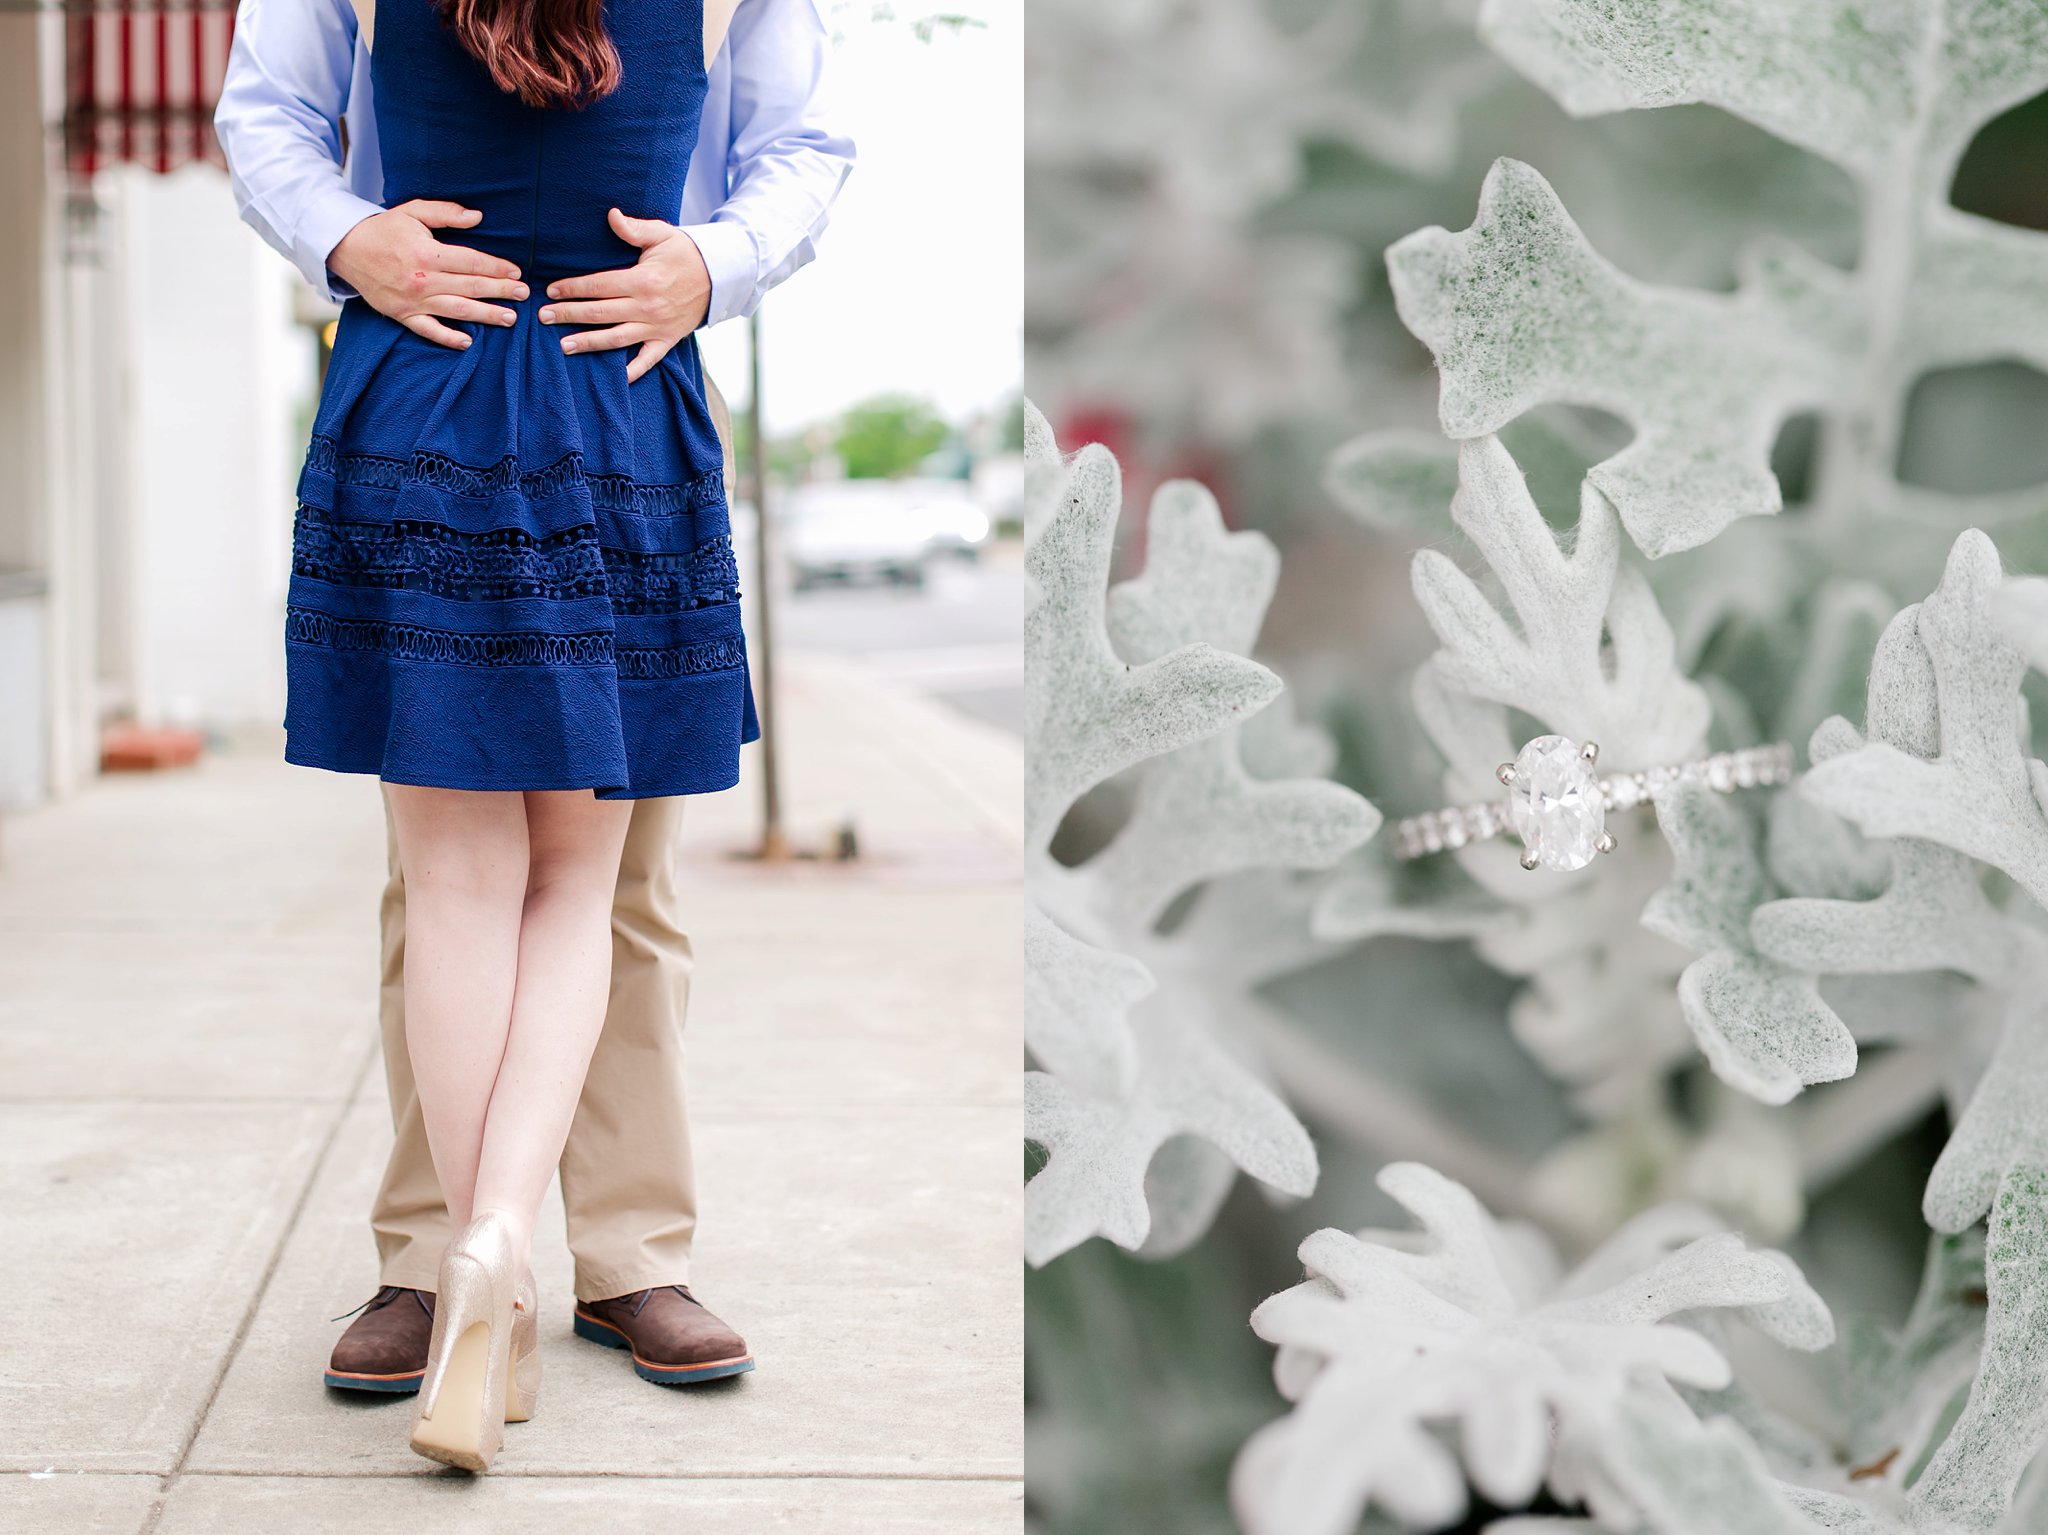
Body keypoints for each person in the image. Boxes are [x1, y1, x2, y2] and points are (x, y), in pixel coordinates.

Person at [214, 0, 852, 1472]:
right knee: (524, 880)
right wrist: (344, 235)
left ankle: (616, 1258)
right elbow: (272, 120)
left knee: (533, 883)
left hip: (496, 384)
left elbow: (802, 140)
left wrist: (715, 260)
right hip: (575, 399)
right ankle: (449, 1251)